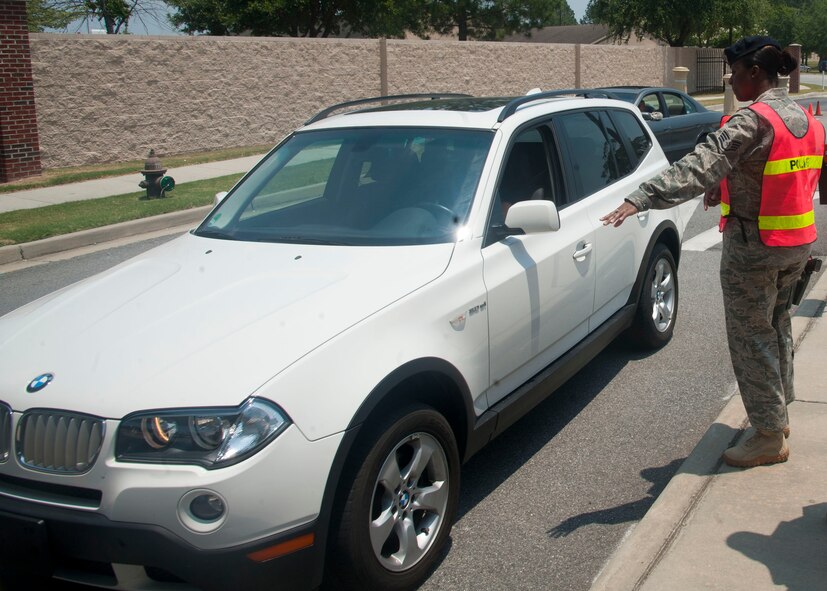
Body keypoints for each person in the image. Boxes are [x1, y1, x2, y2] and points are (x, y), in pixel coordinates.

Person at [600, 35, 826, 468]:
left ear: (754, 73)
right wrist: (725, 187)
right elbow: (776, 174)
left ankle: (767, 436)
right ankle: (777, 414)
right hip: (797, 245)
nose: (732, 82)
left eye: (735, 74)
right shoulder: (805, 118)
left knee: (751, 338)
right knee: (777, 328)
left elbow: (698, 165)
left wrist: (641, 197)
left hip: (754, 250)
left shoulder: (751, 121)